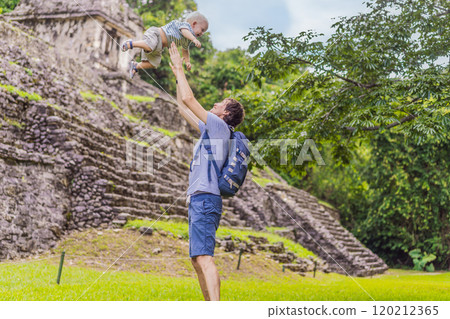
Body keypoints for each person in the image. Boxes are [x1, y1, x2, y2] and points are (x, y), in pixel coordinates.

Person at [168, 42, 245, 301]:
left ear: (225, 114)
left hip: (205, 199)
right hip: (199, 199)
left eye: (220, 103)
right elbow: (182, 106)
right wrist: (177, 76)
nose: (214, 103)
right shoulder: (211, 131)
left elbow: (191, 99)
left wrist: (180, 68)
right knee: (196, 259)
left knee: (204, 257)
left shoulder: (219, 128)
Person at [121, 11, 208, 79]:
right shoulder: (184, 26)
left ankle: (136, 66)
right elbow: (184, 32)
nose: (202, 33)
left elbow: (185, 50)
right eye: (202, 30)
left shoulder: (188, 40)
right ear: (194, 24)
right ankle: (130, 43)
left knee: (154, 63)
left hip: (159, 47)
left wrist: (187, 61)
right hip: (155, 34)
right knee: (149, 46)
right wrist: (194, 39)